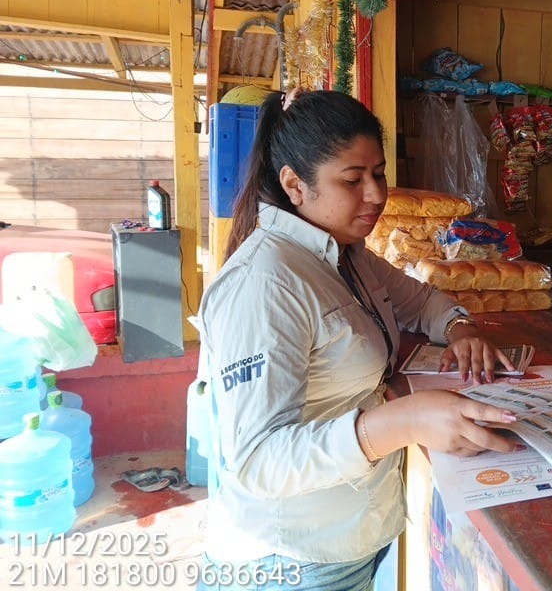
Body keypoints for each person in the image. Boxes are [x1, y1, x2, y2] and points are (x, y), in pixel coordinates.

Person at [196, 89, 521, 591]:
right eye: (352, 180)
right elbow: (258, 462)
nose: (375, 195)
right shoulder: (266, 284)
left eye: (379, 174)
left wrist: (462, 329)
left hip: (350, 535)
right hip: (290, 560)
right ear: (294, 185)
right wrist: (405, 420)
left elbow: (422, 300)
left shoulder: (345, 256)